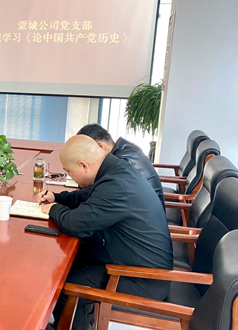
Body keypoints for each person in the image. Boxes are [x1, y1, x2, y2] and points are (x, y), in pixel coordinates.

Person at [39, 135, 173, 330]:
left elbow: (76, 224)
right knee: (66, 264)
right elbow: (89, 196)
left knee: (65, 285)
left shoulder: (117, 186)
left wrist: (53, 209)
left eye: (68, 171)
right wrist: (58, 198)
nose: (69, 175)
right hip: (132, 262)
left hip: (142, 279)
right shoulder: (117, 169)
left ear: (83, 165)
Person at [76, 123, 165, 210]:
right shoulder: (126, 148)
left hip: (140, 213)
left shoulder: (122, 163)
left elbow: (100, 194)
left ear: (100, 147)